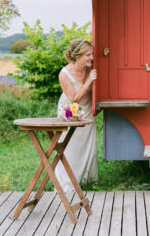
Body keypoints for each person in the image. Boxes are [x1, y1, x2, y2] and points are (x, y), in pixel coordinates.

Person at [55, 38, 98, 191]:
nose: (92, 58)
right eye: (88, 55)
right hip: (70, 108)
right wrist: (89, 81)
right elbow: (74, 98)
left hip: (87, 108)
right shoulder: (64, 74)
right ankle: (67, 182)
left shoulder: (90, 67)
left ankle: (86, 179)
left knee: (86, 143)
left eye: (92, 54)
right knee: (71, 145)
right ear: (78, 56)